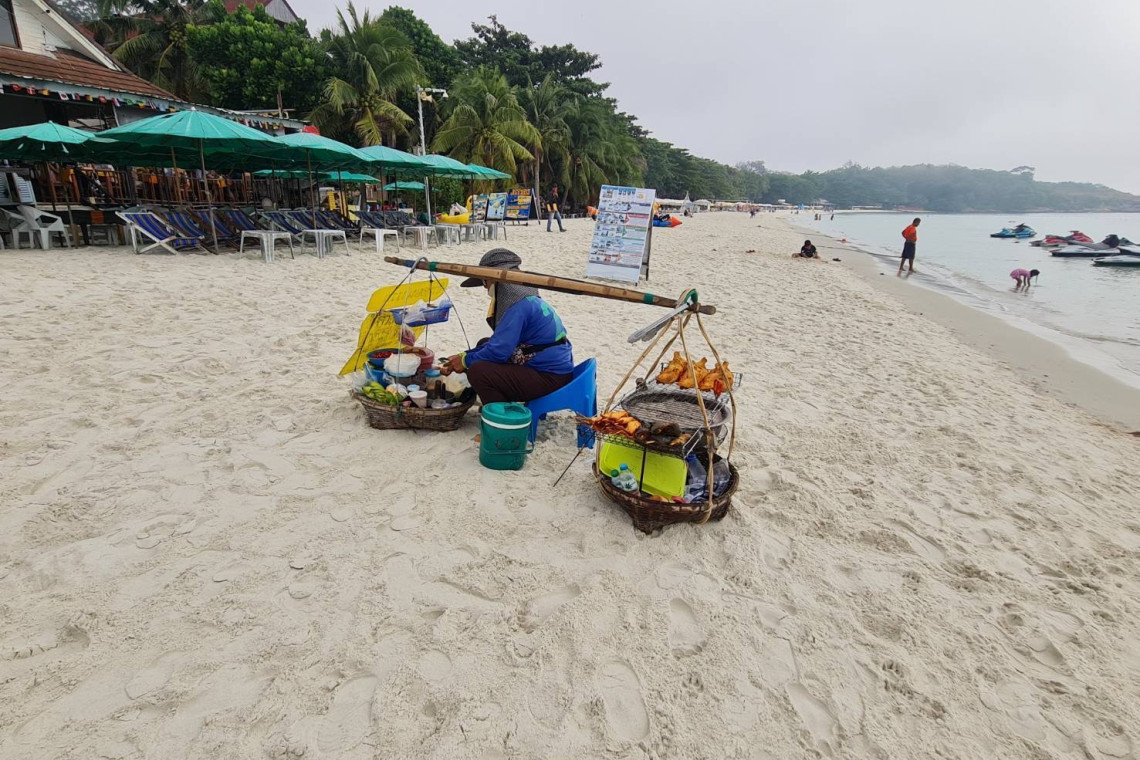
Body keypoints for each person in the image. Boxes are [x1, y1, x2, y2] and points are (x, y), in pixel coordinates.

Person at [440, 249, 574, 404]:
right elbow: (497, 344)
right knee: (484, 343)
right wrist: (464, 355)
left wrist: (465, 361)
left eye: (485, 281)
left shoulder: (518, 307)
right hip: (553, 366)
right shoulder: (527, 300)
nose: (485, 287)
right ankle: (498, 399)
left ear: (496, 281)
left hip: (550, 376)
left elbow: (499, 352)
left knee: (479, 372)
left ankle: (501, 412)